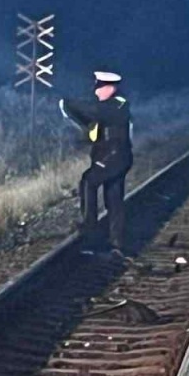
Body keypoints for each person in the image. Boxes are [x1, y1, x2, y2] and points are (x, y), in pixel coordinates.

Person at [59, 71, 133, 257]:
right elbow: (87, 119)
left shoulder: (118, 105)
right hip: (112, 157)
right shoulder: (109, 106)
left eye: (99, 87)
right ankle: (117, 242)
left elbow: (92, 111)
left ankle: (90, 231)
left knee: (88, 182)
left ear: (111, 87)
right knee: (114, 198)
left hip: (114, 157)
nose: (96, 91)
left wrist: (67, 102)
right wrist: (69, 109)